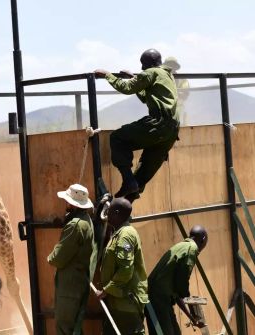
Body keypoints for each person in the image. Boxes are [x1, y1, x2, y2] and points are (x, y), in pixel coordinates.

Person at [95, 49, 179, 202]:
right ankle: (129, 198)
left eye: (143, 65)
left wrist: (108, 75)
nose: (141, 69)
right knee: (142, 175)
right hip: (172, 131)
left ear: (148, 64)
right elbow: (146, 97)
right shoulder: (167, 75)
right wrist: (134, 78)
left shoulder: (150, 73)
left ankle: (128, 181)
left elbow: (126, 88)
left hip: (158, 124)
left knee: (118, 138)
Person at [47, 184, 98, 335]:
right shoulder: (85, 220)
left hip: (69, 286)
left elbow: (57, 259)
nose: (66, 204)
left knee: (64, 328)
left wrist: (50, 257)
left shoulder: (75, 226)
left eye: (67, 201)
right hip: (78, 282)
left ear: (72, 204)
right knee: (73, 329)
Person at [95, 198, 148, 335]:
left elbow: (125, 270)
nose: (107, 213)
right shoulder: (119, 232)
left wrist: (106, 290)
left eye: (110, 210)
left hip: (126, 303)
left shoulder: (125, 235)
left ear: (117, 213)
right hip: (119, 301)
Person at [146, 225, 209, 334]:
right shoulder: (192, 249)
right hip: (157, 301)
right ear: (203, 240)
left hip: (158, 300)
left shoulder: (181, 246)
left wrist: (192, 318)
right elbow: (182, 284)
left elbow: (178, 293)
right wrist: (190, 305)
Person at [163, 56, 191, 126]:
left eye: (172, 65)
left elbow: (185, 93)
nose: (170, 67)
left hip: (179, 108)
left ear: (175, 66)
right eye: (168, 65)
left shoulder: (182, 79)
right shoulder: (162, 79)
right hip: (164, 110)